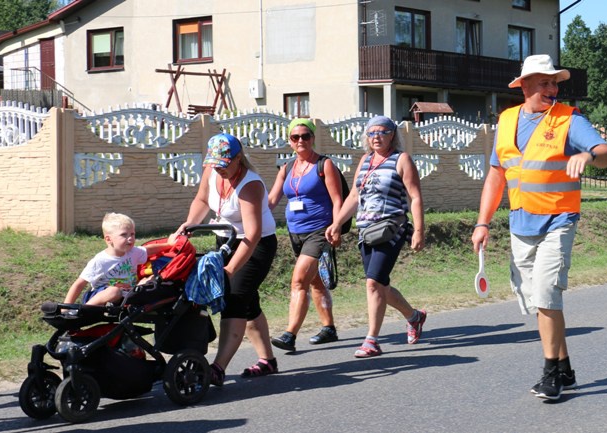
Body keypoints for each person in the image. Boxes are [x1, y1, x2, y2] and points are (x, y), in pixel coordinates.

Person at [471, 54, 607, 401]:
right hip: (521, 223)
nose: (552, 89)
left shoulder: (569, 119)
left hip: (559, 219)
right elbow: (497, 175)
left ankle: (551, 374)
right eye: (544, 83)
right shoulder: (506, 121)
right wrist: (482, 221)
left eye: (554, 83)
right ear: (524, 86)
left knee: (548, 291)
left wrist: (589, 156)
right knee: (538, 302)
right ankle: (566, 368)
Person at [175, 132, 278, 385]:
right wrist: (188, 226)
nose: (219, 170)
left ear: (238, 159)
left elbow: (252, 235)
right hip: (226, 240)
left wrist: (231, 269)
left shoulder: (250, 184)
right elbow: (201, 200)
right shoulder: (212, 172)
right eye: (214, 164)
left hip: (256, 245)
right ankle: (268, 361)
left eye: (224, 165)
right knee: (248, 302)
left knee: (234, 297)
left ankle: (218, 368)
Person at [326, 115, 427, 358]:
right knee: (380, 284)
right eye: (372, 133)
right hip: (366, 230)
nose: (376, 137)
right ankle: (414, 317)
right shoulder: (365, 160)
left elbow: (415, 196)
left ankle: (371, 340)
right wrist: (337, 223)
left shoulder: (401, 160)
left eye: (382, 132)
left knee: (373, 283)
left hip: (392, 227)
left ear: (393, 134)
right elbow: (353, 197)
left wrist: (420, 230)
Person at [268, 118, 343, 352]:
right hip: (295, 232)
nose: (300, 141)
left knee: (299, 280)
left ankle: (290, 334)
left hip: (319, 230)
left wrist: (337, 226)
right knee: (315, 280)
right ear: (289, 141)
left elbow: (337, 199)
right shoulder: (287, 169)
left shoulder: (324, 164)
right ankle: (329, 328)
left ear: (312, 138)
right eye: (295, 137)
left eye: (305, 136)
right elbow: (270, 201)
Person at [64, 212, 178, 306]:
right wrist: (66, 307)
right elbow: (79, 284)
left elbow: (149, 250)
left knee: (151, 280)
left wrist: (169, 244)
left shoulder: (133, 252)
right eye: (124, 235)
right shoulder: (100, 261)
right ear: (109, 239)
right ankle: (84, 310)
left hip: (126, 295)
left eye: (132, 234)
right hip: (102, 297)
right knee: (114, 291)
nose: (130, 238)